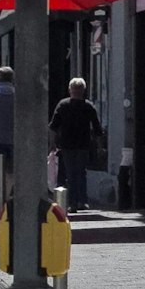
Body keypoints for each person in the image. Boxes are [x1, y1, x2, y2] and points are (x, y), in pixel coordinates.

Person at [49, 77, 104, 211]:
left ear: (70, 90)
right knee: (81, 172)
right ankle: (82, 201)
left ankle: (72, 203)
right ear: (83, 90)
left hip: (67, 144)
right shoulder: (88, 106)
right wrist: (100, 146)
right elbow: (97, 128)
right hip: (83, 144)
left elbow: (53, 126)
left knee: (70, 173)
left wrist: (52, 143)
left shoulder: (63, 105)